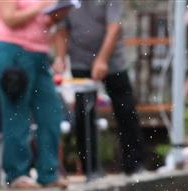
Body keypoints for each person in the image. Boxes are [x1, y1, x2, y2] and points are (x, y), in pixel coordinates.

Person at [55, 0, 146, 175]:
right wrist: (60, 57)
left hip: (112, 60)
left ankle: (134, 163)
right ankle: (91, 167)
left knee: (125, 109)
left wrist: (102, 59)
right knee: (84, 112)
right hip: (80, 60)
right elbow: (61, 29)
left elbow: (114, 28)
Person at [0, 0, 71, 189]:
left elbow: (45, 22)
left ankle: (49, 173)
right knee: (16, 114)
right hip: (13, 50)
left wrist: (57, 12)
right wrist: (41, 6)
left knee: (51, 112)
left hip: (40, 53)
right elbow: (10, 19)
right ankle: (17, 173)